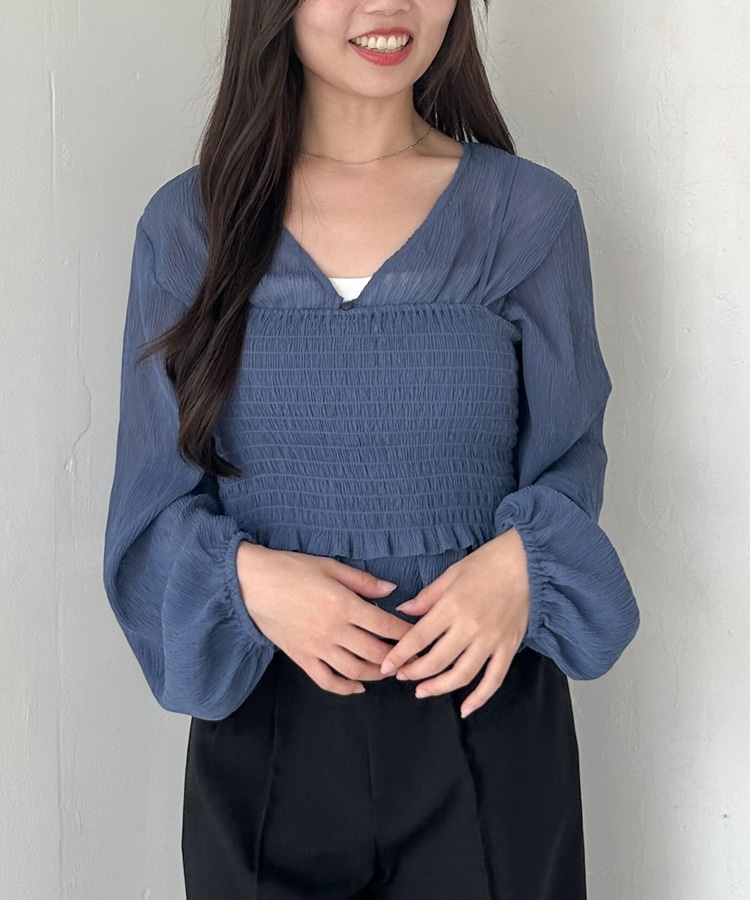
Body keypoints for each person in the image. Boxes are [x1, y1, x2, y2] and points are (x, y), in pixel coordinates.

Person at [102, 1, 641, 897]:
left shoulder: (530, 214)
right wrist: (247, 581)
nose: (388, 6)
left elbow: (571, 457)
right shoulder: (189, 227)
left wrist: (521, 566)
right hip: (266, 721)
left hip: (486, 717)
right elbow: (147, 508)